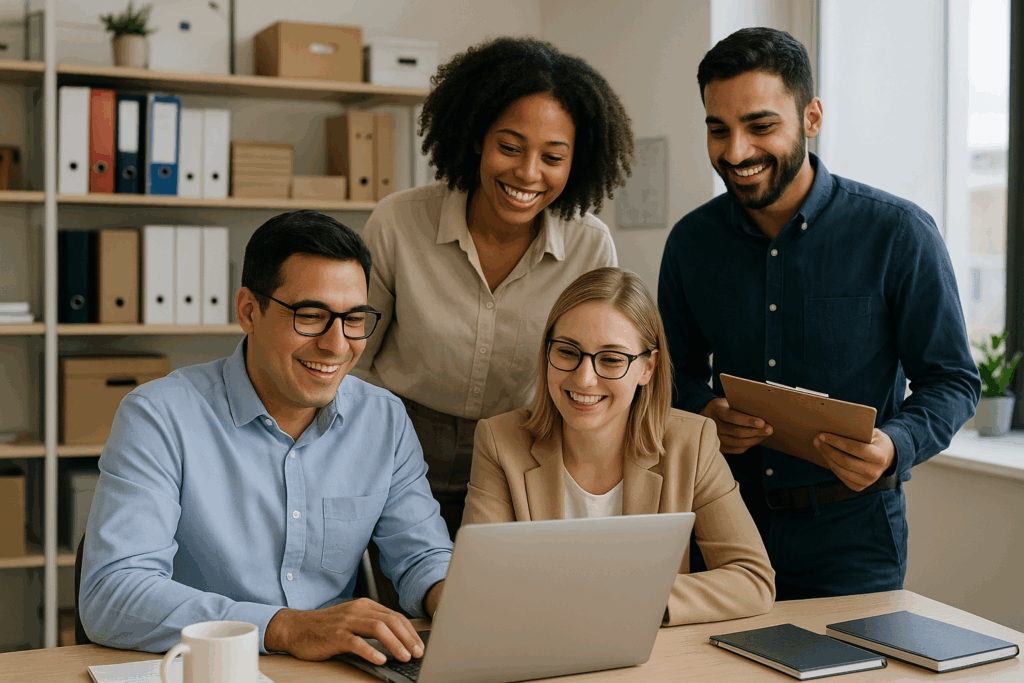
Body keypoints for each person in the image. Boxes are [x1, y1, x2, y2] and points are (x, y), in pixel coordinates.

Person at [657, 27, 981, 599]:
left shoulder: (898, 233)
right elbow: (667, 372)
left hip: (854, 536)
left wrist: (894, 445)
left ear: (811, 118)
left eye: (760, 126)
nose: (736, 152)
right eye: (718, 129)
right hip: (725, 526)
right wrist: (703, 407)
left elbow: (952, 380)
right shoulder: (690, 243)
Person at [80, 211, 451, 665]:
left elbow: (422, 556)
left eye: (354, 318)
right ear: (249, 311)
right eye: (311, 316)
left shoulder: (383, 419)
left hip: (331, 673)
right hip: (204, 669)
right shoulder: (159, 416)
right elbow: (111, 594)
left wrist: (455, 599)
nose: (337, 345)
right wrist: (287, 627)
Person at [357, 36, 634, 537]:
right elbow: (351, 356)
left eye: (553, 157)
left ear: (578, 162)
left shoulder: (591, 247)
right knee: (402, 604)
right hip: (395, 444)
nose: (528, 173)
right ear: (475, 138)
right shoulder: (399, 222)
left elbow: (600, 375)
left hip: (522, 453)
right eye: (509, 147)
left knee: (500, 602)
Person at [463, 267, 775, 625]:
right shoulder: (499, 440)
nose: (584, 378)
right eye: (567, 352)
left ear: (648, 368)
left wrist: (633, 602)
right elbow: (480, 586)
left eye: (611, 359)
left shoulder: (693, 442)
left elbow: (753, 579)